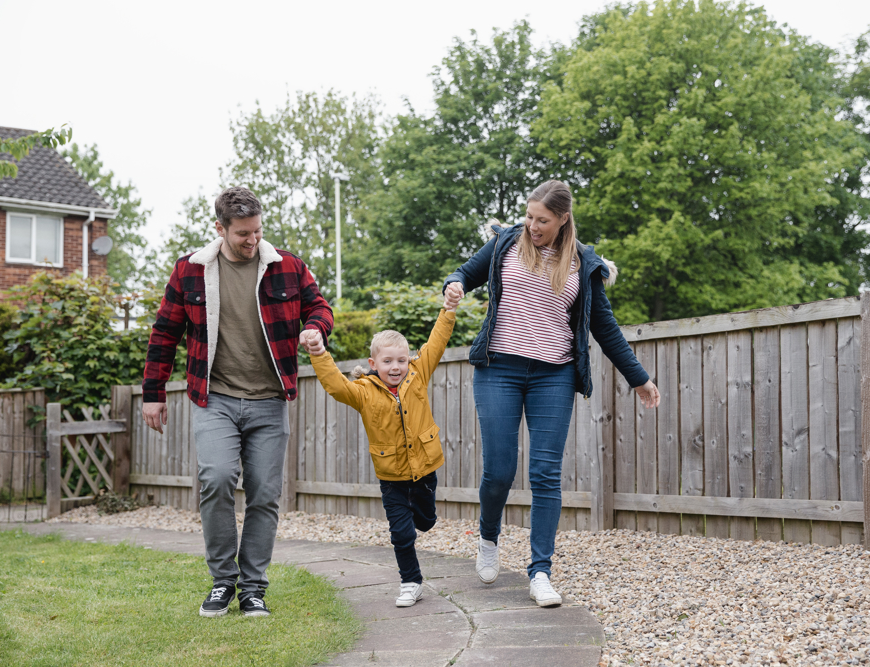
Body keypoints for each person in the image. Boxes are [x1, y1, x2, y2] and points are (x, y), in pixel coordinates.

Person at [443, 180, 660, 607]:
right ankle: (489, 538)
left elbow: (605, 328)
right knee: (499, 471)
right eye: (529, 216)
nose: (533, 225)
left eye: (542, 220)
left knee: (545, 474)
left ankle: (540, 571)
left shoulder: (583, 264)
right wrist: (453, 285)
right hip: (499, 369)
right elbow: (465, 273)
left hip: (553, 376)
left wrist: (639, 377)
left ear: (563, 219)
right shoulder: (507, 243)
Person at [141, 186, 333, 618]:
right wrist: (153, 395)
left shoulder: (287, 266)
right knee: (217, 479)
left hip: (270, 400)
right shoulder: (190, 272)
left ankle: (253, 589)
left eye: (258, 231)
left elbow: (319, 306)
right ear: (220, 228)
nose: (252, 240)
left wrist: (317, 328)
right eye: (243, 233)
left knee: (265, 494)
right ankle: (223, 581)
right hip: (215, 399)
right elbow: (164, 335)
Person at [301, 283, 464, 607]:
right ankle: (410, 582)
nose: (396, 367)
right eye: (388, 361)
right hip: (392, 477)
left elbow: (437, 342)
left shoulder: (419, 373)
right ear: (374, 363)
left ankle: (424, 519)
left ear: (409, 360)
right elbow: (335, 386)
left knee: (426, 522)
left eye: (401, 360)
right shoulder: (363, 391)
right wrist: (319, 353)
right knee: (401, 533)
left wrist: (448, 309)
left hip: (425, 469)